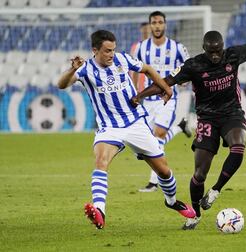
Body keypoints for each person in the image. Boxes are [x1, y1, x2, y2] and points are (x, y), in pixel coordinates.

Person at [131, 31, 246, 229]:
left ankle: (215, 191)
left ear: (222, 47)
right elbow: (166, 82)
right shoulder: (193, 66)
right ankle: (194, 214)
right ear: (204, 49)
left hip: (232, 114)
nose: (215, 55)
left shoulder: (233, 55)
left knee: (238, 147)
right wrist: (140, 95)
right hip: (207, 119)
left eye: (218, 51)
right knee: (199, 174)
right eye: (211, 52)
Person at [57, 29, 195, 230]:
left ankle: (172, 201)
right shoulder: (85, 69)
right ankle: (99, 210)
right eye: (106, 51)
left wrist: (166, 88)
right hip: (110, 128)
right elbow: (61, 85)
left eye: (113, 49)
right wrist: (72, 69)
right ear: (95, 50)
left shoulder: (122, 59)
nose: (111, 54)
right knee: (101, 161)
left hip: (136, 123)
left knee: (164, 171)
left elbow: (147, 69)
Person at [132, 11, 192, 193]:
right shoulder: (141, 48)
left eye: (160, 22)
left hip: (168, 99)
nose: (157, 25)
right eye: (154, 22)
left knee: (158, 136)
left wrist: (185, 79)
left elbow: (190, 68)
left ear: (165, 25)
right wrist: (136, 93)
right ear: (150, 25)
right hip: (147, 101)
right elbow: (135, 71)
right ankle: (180, 128)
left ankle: (154, 181)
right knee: (145, 143)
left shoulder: (177, 48)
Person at [130, 22, 151, 92]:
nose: (146, 30)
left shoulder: (155, 46)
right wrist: (134, 85)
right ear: (141, 30)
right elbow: (132, 66)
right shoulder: (135, 46)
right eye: (144, 28)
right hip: (139, 84)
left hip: (151, 83)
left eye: (148, 28)